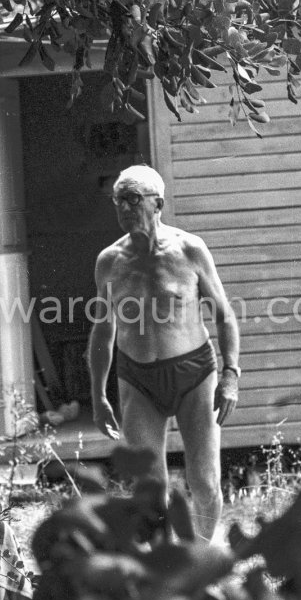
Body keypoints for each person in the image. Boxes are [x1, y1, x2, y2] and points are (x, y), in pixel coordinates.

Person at [87, 164, 240, 543]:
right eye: (118, 200)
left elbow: (224, 315)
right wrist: (97, 395)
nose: (124, 207)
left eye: (134, 199)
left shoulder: (189, 249)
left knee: (204, 481)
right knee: (149, 486)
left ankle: (199, 559)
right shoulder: (109, 261)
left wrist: (231, 375)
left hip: (194, 374)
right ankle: (165, 565)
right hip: (137, 378)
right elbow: (103, 330)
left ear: (159, 204)